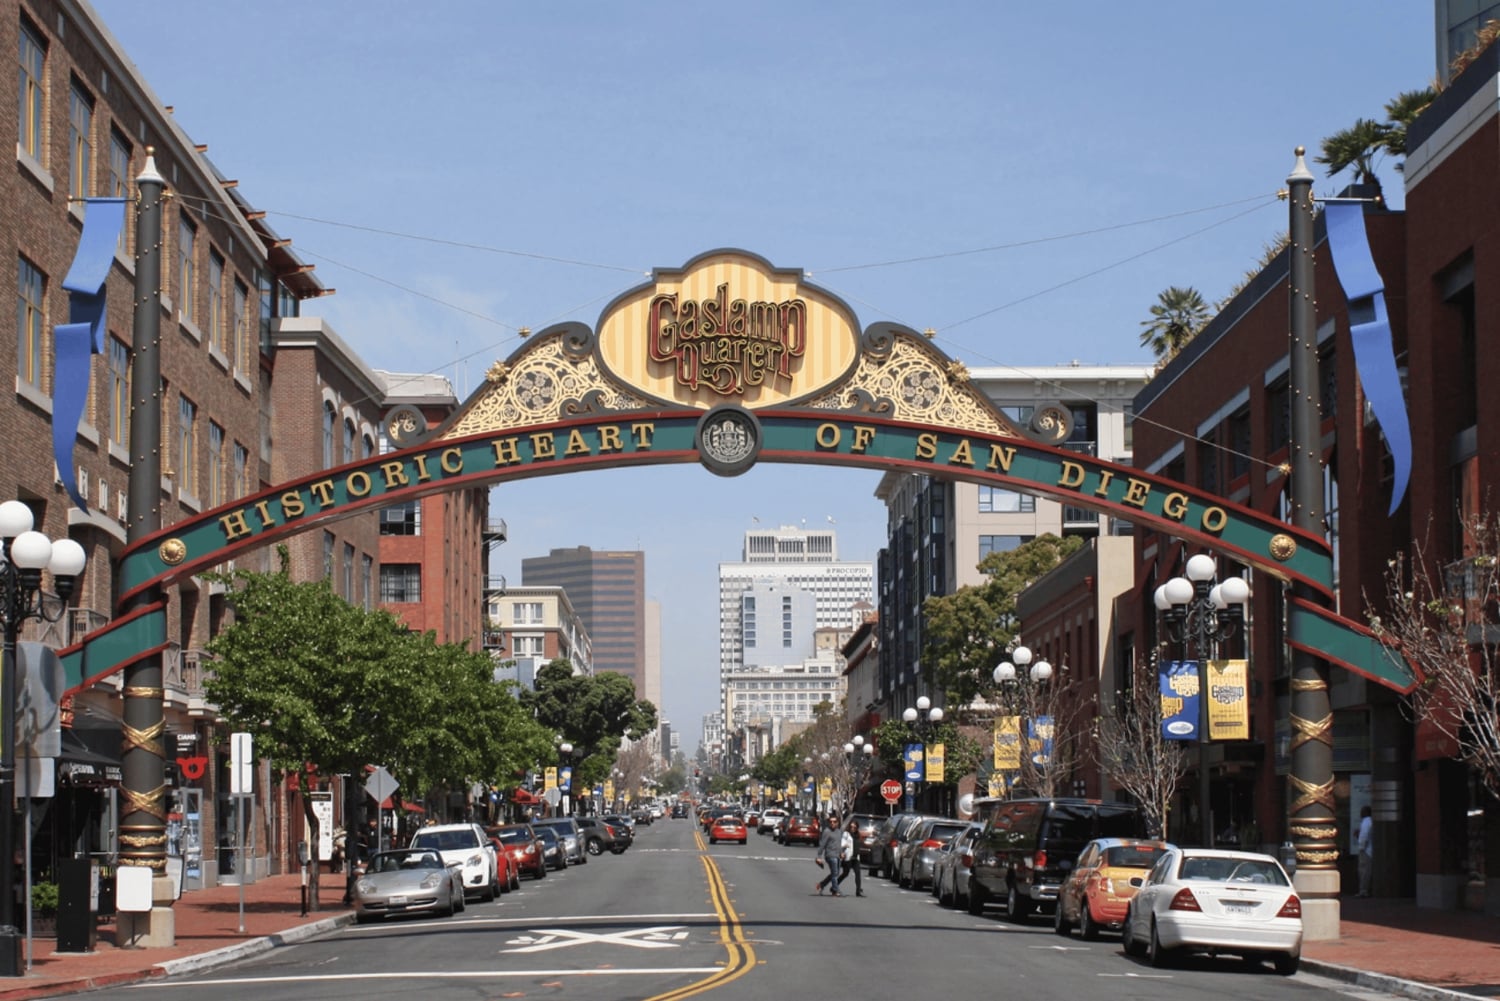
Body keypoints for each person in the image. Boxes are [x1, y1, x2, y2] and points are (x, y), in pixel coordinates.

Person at [814, 814, 843, 895]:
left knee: (835, 873)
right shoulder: (827, 831)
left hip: (837, 856)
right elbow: (822, 845)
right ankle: (835, 890)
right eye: (831, 822)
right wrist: (818, 856)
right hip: (830, 855)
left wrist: (841, 853)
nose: (832, 823)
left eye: (835, 822)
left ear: (838, 823)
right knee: (834, 874)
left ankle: (821, 885)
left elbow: (839, 844)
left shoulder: (839, 831)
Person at [836, 818, 864, 896]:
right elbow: (842, 843)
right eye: (851, 827)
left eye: (854, 827)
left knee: (858, 873)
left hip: (856, 857)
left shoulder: (858, 835)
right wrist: (845, 845)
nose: (853, 828)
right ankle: (834, 886)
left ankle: (858, 891)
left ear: (857, 827)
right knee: (845, 873)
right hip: (848, 857)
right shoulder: (846, 834)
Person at [1356, 805, 1374, 897]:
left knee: (1364, 871)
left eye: (1362, 811)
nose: (1360, 813)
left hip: (1366, 851)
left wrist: (1362, 847)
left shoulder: (1366, 822)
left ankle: (1363, 890)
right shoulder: (1370, 821)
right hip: (1368, 850)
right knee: (1365, 870)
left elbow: (1364, 836)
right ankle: (1364, 890)